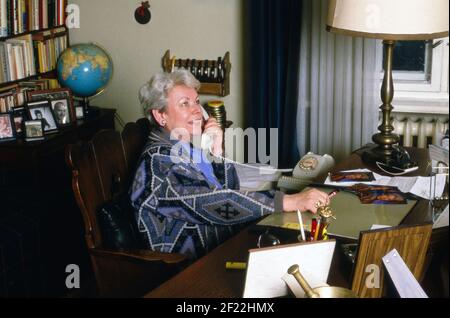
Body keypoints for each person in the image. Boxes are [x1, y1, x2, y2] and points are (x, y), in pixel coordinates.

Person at [130, 70, 330, 260]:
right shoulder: (159, 163)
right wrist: (290, 201)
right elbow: (215, 204)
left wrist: (217, 148)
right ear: (160, 115)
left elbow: (227, 186)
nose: (197, 110)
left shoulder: (182, 147)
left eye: (197, 102)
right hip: (189, 265)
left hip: (222, 243)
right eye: (184, 104)